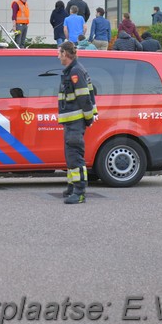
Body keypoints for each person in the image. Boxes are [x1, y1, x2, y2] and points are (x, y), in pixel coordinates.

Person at [57, 41, 97, 204]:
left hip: (75, 122)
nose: (58, 56)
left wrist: (88, 118)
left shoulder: (75, 72)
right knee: (70, 156)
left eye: (59, 53)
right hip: (71, 122)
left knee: (75, 157)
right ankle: (73, 187)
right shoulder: (72, 70)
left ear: (65, 54)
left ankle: (79, 192)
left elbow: (84, 98)